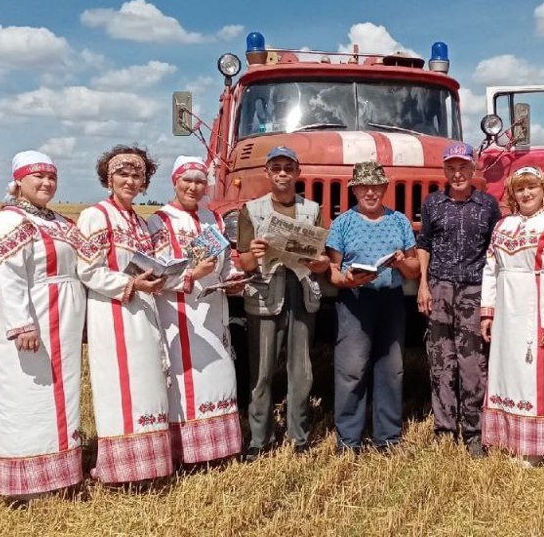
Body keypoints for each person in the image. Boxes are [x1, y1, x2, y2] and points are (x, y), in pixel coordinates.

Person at [0, 151, 85, 498]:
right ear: (18, 182)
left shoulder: (59, 222)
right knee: (27, 394)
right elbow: (9, 278)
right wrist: (23, 324)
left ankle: (60, 473)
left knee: (62, 393)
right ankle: (26, 482)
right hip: (32, 316)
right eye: (37, 176)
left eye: (51, 176)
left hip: (63, 320)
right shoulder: (7, 223)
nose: (46, 183)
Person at [77, 145, 173, 484]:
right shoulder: (96, 216)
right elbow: (88, 270)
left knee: (146, 384)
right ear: (108, 177)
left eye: (137, 175)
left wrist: (161, 278)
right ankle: (118, 470)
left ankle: (148, 467)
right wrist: (131, 283)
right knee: (119, 387)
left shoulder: (140, 222)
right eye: (123, 174)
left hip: (144, 311)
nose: (130, 180)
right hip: (113, 311)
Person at [148, 156, 243, 465]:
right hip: (179, 314)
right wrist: (193, 275)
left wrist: (233, 281)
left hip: (213, 310)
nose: (193, 186)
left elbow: (226, 263)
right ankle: (187, 452)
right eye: (187, 180)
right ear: (175, 181)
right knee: (186, 379)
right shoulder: (158, 222)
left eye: (200, 181)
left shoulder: (213, 219)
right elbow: (156, 274)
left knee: (219, 377)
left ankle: (218, 450)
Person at [237, 146, 329, 457]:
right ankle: (259, 439)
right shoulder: (251, 210)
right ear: (267, 172)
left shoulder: (313, 210)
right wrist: (257, 252)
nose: (282, 174)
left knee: (301, 370)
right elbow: (246, 263)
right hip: (265, 292)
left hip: (301, 291)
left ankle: (298, 437)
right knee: (261, 370)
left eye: (288, 168)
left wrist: (314, 260)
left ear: (297, 172)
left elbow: (322, 261)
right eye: (276, 168)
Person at [479, 166, 544, 466]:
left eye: (532, 187)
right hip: (507, 308)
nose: (526, 193)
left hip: (537, 306)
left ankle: (533, 448)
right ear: (512, 194)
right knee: (505, 371)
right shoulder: (503, 226)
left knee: (533, 373)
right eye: (520, 189)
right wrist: (487, 312)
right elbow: (491, 270)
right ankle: (507, 438)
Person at [326, 161, 420, 452]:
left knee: (391, 369)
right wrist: (347, 280)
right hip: (356, 301)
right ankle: (348, 439)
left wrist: (402, 261)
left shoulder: (399, 221)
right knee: (352, 369)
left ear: (384, 188)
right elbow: (332, 270)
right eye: (363, 187)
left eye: (375, 186)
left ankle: (388, 438)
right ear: (354, 190)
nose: (370, 192)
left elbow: (415, 268)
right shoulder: (342, 223)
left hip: (390, 300)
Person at [416, 143, 500, 457]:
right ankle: (444, 430)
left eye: (463, 167)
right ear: (445, 171)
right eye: (451, 168)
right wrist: (423, 285)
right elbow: (424, 243)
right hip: (439, 288)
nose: (457, 173)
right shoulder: (433, 203)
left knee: (473, 364)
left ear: (473, 168)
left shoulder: (488, 205)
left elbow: (495, 252)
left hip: (474, 291)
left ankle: (475, 433)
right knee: (441, 362)